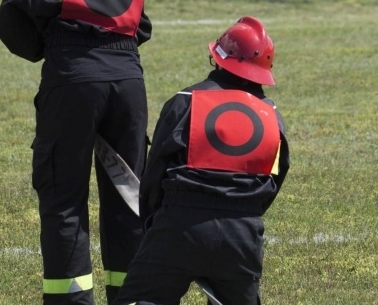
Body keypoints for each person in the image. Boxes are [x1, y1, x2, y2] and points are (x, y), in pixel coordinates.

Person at [0, 0, 152, 305]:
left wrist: (48, 49)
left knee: (64, 196)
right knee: (128, 194)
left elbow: (10, 20)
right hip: (127, 80)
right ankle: (132, 296)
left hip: (72, 78)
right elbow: (140, 24)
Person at [115, 16, 290, 305]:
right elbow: (274, 180)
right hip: (242, 233)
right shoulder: (272, 114)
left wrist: (156, 223)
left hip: (179, 225)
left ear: (217, 58)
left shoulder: (186, 100)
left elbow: (155, 171)